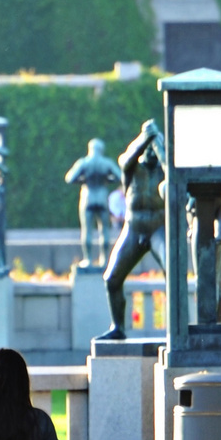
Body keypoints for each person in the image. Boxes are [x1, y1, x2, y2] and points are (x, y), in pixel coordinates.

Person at [99, 120, 167, 339]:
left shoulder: (164, 171)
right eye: (147, 149)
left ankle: (176, 330)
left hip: (158, 229)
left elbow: (174, 171)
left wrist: (160, 146)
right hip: (134, 228)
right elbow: (126, 159)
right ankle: (117, 327)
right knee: (112, 278)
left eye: (153, 150)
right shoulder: (132, 169)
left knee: (173, 273)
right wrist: (146, 137)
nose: (150, 153)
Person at [63, 138, 124, 267]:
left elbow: (70, 178)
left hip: (88, 195)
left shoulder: (84, 162)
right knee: (104, 230)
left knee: (87, 230)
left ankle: (88, 259)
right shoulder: (106, 163)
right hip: (102, 195)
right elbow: (120, 177)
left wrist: (84, 181)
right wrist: (107, 180)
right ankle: (104, 259)